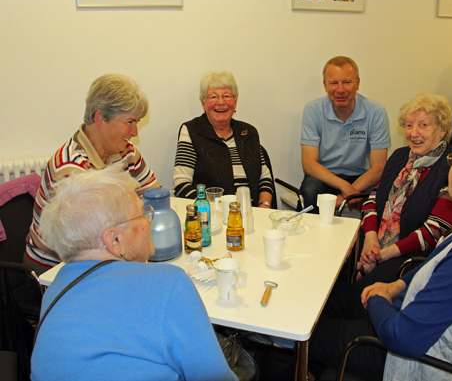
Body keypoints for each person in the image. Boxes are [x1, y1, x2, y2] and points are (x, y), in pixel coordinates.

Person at [309, 113, 452, 380]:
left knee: (306, 331)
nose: (450, 165)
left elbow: (402, 338)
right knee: (319, 297)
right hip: (421, 320)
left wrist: (377, 297)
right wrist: (396, 286)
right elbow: (436, 263)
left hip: (413, 359)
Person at [30, 166, 237, 381]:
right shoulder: (168, 284)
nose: (149, 221)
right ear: (115, 240)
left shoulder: (54, 290)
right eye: (141, 214)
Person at [25, 74, 160, 274]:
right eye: (130, 122)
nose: (135, 132)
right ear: (100, 118)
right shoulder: (71, 169)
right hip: (56, 271)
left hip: (107, 254)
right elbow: (90, 245)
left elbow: (156, 197)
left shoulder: (126, 152)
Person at [357, 93, 452, 285]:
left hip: (412, 257)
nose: (414, 134)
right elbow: (373, 198)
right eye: (409, 125)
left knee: (361, 293)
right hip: (375, 243)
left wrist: (380, 255)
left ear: (442, 129)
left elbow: (434, 232)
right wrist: (370, 239)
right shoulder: (400, 156)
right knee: (332, 268)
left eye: (423, 125)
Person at [300, 56, 391, 212]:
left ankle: (367, 237)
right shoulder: (313, 110)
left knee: (385, 197)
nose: (340, 89)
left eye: (347, 82)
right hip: (325, 176)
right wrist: (344, 187)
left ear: (357, 83)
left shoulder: (376, 112)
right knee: (309, 191)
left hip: (361, 177)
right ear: (325, 85)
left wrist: (347, 195)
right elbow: (309, 164)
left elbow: (378, 168)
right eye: (333, 83)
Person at [173, 71, 274, 208]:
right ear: (203, 103)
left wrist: (264, 206)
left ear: (235, 101)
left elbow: (265, 178)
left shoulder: (248, 133)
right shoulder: (192, 131)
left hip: (253, 213)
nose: (221, 102)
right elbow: (181, 184)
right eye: (213, 97)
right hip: (212, 217)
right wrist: (211, 210)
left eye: (226, 96)